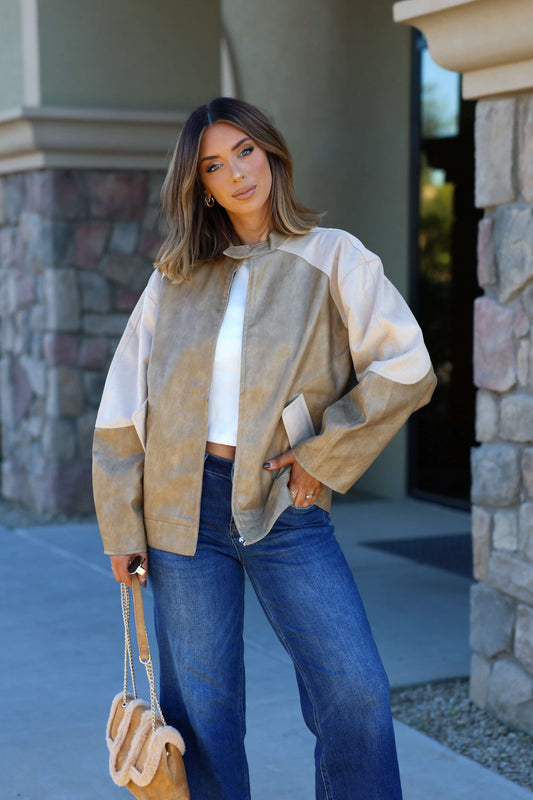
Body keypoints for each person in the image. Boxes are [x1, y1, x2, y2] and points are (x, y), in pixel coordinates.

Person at [93, 97, 436, 800]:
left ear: (271, 153)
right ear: (202, 185)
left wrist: (325, 453)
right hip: (180, 512)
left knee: (355, 690)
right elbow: (124, 406)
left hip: (285, 505)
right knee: (203, 714)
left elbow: (406, 367)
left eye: (244, 152)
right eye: (214, 165)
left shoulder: (335, 255)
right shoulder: (176, 276)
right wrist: (122, 525)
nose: (236, 173)